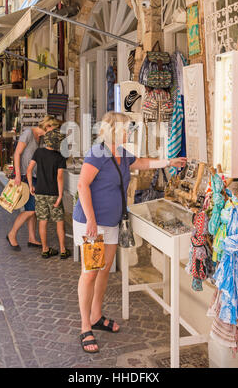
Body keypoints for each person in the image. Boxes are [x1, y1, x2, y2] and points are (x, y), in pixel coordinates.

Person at [73, 111, 187, 353]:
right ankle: (85, 326)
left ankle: (96, 316)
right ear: (114, 129)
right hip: (92, 223)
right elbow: (82, 185)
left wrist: (168, 162)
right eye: (127, 128)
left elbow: (142, 163)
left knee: (104, 271)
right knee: (90, 273)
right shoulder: (98, 153)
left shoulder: (122, 154)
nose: (130, 133)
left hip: (112, 223)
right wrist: (92, 221)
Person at [6, 116, 60, 251]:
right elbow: (17, 154)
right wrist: (18, 175)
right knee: (31, 210)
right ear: (47, 126)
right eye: (53, 130)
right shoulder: (28, 133)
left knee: (33, 210)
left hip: (35, 177)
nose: (53, 133)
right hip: (25, 176)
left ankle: (32, 238)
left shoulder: (40, 138)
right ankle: (12, 233)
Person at [26, 128, 71, 260]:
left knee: (43, 221)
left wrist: (31, 186)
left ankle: (45, 249)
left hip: (39, 192)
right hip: (54, 194)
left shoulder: (38, 152)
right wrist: (61, 196)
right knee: (59, 222)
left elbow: (29, 170)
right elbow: (60, 178)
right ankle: (63, 250)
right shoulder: (60, 157)